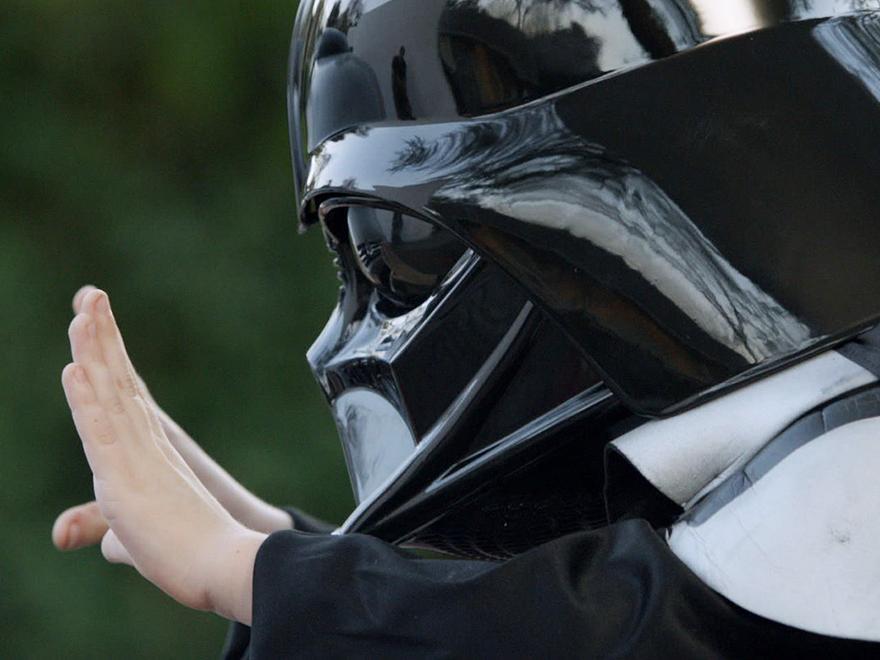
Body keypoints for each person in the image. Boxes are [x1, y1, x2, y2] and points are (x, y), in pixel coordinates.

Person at [54, 1, 880, 657]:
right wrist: (270, 552)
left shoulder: (846, 477)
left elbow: (617, 633)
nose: (358, 320)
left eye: (388, 254)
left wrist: (249, 571)